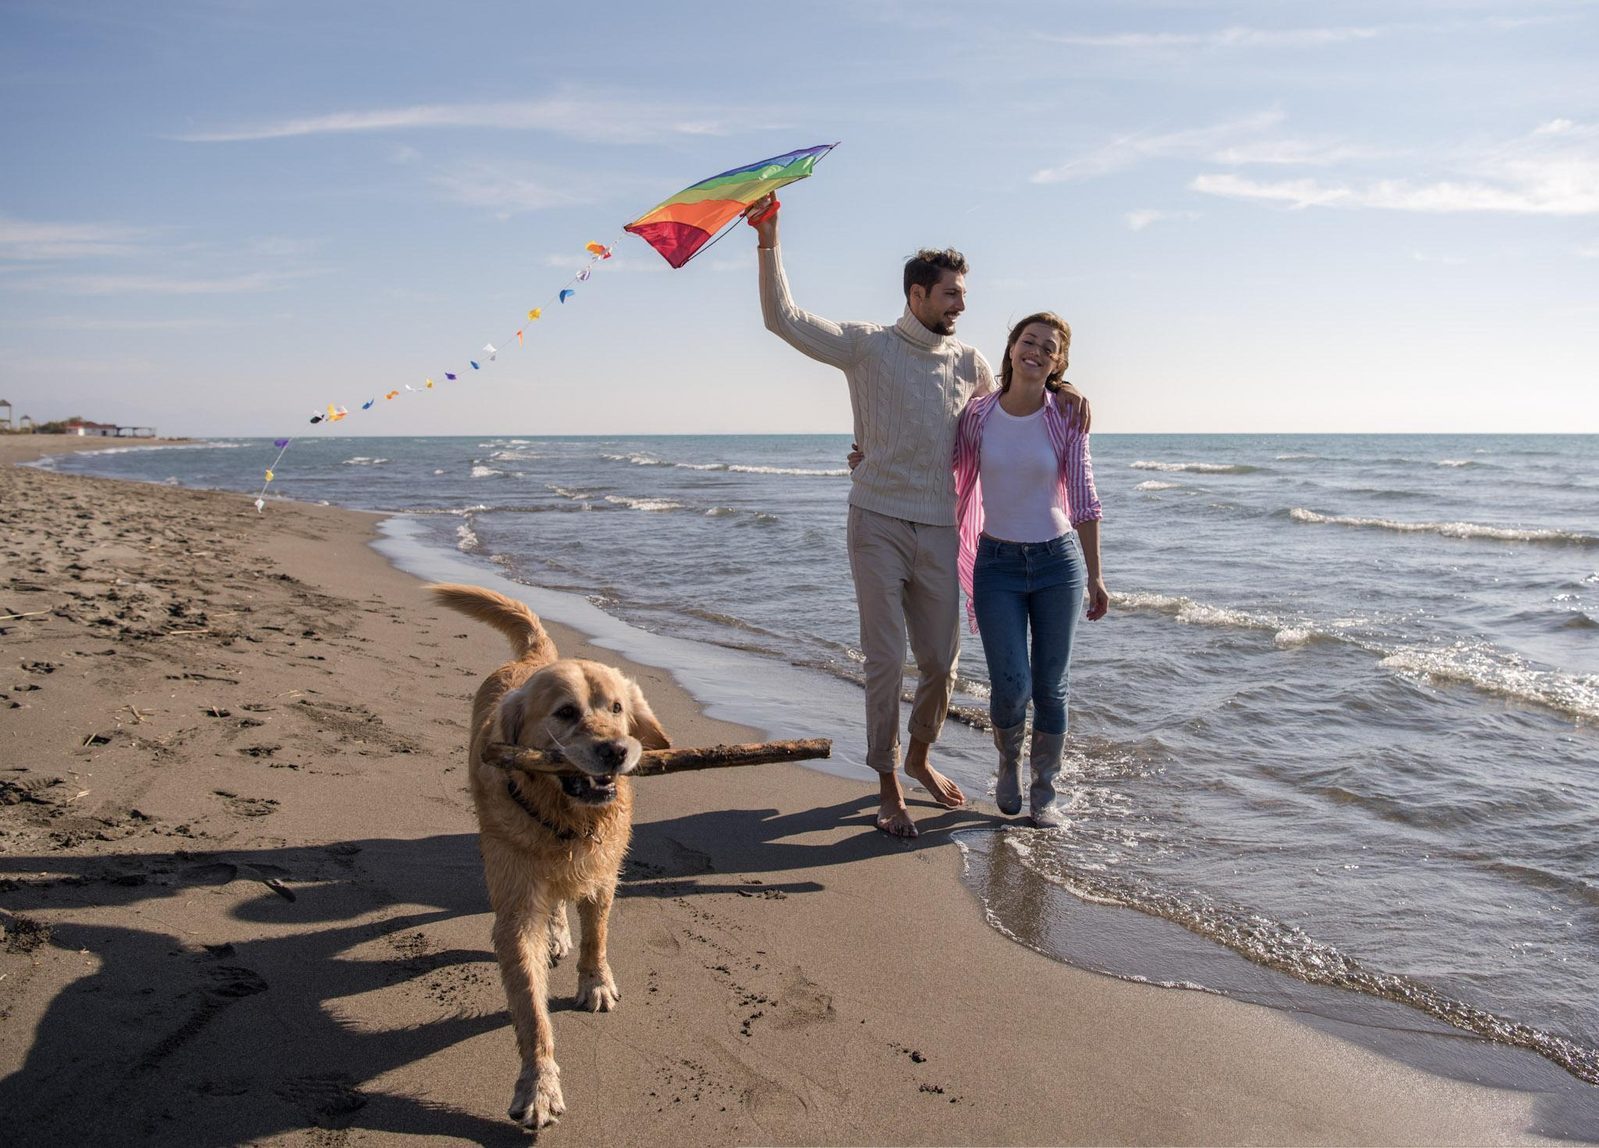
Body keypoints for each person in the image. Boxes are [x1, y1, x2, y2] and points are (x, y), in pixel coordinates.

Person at [744, 193, 1087, 837]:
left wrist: (1067, 394)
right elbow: (782, 319)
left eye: (963, 293)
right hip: (875, 518)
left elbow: (1012, 416)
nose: (962, 304)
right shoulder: (866, 346)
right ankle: (886, 783)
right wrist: (769, 239)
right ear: (917, 293)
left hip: (940, 526)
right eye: (952, 293)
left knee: (940, 664)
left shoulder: (970, 363)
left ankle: (921, 757)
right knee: (885, 658)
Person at [953, 312, 1109, 828]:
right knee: (1011, 683)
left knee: (1051, 685)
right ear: (1012, 347)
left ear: (1058, 361)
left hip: (1056, 564)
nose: (1036, 351)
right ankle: (1006, 764)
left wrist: (1096, 575)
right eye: (1028, 341)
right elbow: (939, 462)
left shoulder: (1066, 416)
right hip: (996, 562)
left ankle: (1044, 791)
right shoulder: (977, 415)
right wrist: (873, 458)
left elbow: (1085, 499)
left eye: (1048, 347)